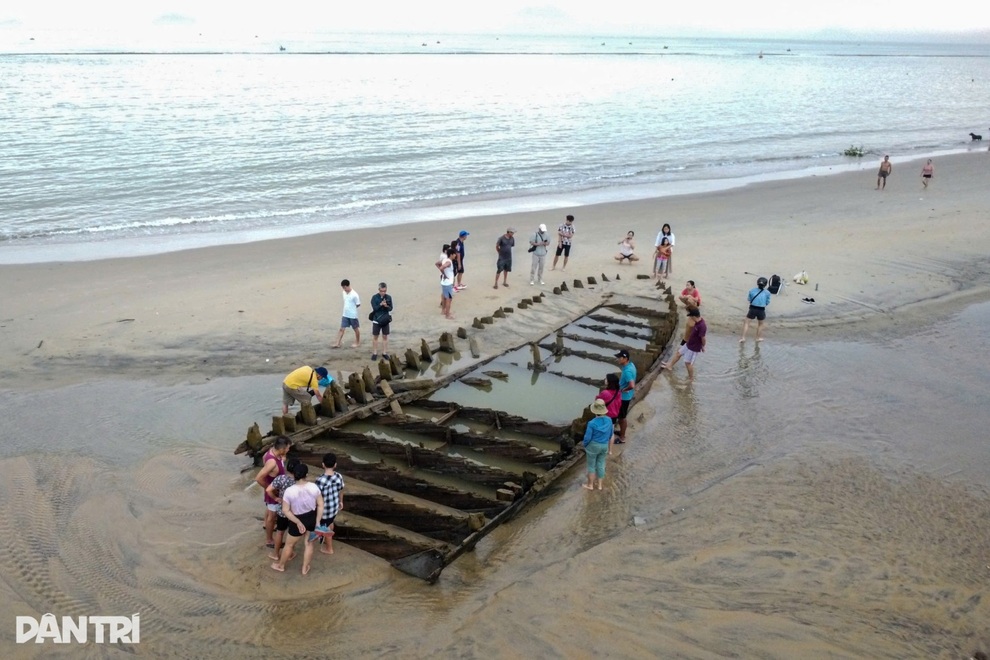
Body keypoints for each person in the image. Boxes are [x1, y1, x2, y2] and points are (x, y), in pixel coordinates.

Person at [271, 462, 324, 576]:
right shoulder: (314, 487)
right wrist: (318, 521)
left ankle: (280, 565)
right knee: (309, 544)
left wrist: (298, 522)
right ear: (307, 474)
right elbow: (320, 505)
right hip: (311, 517)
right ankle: (305, 568)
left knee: (289, 545)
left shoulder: (290, 491)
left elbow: (286, 510)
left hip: (297, 519)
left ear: (294, 474)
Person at [255, 436, 291, 548]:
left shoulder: (270, 452)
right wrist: (271, 489)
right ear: (282, 449)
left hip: (272, 489)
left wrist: (282, 460)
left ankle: (266, 525)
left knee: (269, 510)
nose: (289, 450)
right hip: (273, 492)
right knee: (272, 516)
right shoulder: (272, 462)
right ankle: (269, 540)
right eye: (288, 448)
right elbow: (258, 478)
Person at [265, 457, 299, 562]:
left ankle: (276, 554)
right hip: (294, 512)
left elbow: (268, 489)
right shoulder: (299, 482)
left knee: (279, 532)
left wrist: (276, 498)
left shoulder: (281, 478)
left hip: (282, 510)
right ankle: (290, 553)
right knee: (291, 534)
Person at [662, 307, 707, 379]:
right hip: (689, 343)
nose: (690, 318)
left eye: (691, 316)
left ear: (694, 316)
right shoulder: (697, 322)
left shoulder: (702, 326)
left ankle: (691, 378)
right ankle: (669, 366)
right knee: (678, 353)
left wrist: (703, 346)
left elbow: (703, 338)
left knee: (688, 363)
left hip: (693, 347)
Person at [315, 452, 345, 556]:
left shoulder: (320, 480)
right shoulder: (339, 476)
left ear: (323, 464)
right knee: (330, 522)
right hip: (334, 507)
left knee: (325, 527)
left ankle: (329, 548)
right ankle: (328, 533)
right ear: (335, 465)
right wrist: (341, 501)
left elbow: (317, 497)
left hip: (325, 510)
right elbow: (341, 490)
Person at [582, 399, 614, 491]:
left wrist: (585, 445)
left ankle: (590, 485)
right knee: (601, 464)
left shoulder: (592, 423)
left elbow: (587, 437)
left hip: (593, 446)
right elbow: (611, 433)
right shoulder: (609, 420)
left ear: (594, 411)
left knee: (591, 466)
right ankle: (600, 485)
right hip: (604, 445)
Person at [740, 276, 772, 343]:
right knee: (760, 324)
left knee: (746, 322)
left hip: (752, 308)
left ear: (757, 283)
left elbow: (749, 299)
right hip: (761, 309)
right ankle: (757, 338)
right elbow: (767, 302)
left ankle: (743, 338)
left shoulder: (752, 290)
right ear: (765, 285)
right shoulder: (767, 293)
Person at [615, 349, 637, 443]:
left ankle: (622, 437)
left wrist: (623, 390)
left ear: (625, 358)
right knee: (621, 417)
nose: (618, 359)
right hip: (626, 396)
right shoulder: (630, 365)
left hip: (624, 398)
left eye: (620, 358)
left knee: (622, 418)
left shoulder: (627, 370)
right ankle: (621, 432)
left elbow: (632, 385)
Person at [333, 279, 361, 348]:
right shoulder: (344, 292)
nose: (344, 289)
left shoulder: (355, 295)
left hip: (352, 315)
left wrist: (352, 309)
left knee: (355, 329)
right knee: (342, 328)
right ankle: (337, 343)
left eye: (344, 287)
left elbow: (358, 304)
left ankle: (357, 342)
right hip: (345, 314)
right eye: (343, 288)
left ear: (347, 286)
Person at [370, 282, 393, 361]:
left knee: (385, 336)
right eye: (382, 291)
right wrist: (380, 304)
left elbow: (391, 308)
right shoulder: (374, 297)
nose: (383, 292)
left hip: (385, 319)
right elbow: (375, 308)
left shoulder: (389, 297)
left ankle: (384, 352)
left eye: (384, 291)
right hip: (376, 319)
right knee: (375, 336)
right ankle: (375, 352)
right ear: (379, 290)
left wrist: (386, 306)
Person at [436, 246, 456, 320]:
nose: (455, 255)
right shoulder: (448, 262)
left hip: (444, 282)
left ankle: (443, 311)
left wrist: (443, 274)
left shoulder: (444, 259)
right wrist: (444, 274)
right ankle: (447, 315)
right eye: (454, 254)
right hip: (448, 283)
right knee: (449, 299)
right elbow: (441, 267)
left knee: (444, 297)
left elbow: (437, 264)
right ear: (451, 254)